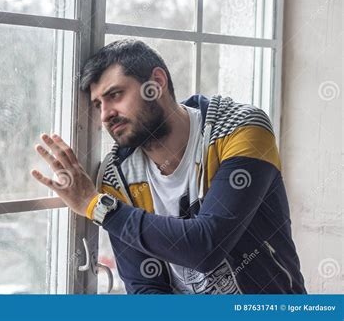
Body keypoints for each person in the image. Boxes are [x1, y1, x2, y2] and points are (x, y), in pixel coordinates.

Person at [31, 39, 307, 294]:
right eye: (97, 105)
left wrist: (95, 205)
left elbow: (206, 246)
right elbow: (145, 288)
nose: (106, 114)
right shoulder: (117, 178)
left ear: (157, 82)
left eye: (115, 94)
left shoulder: (240, 129)